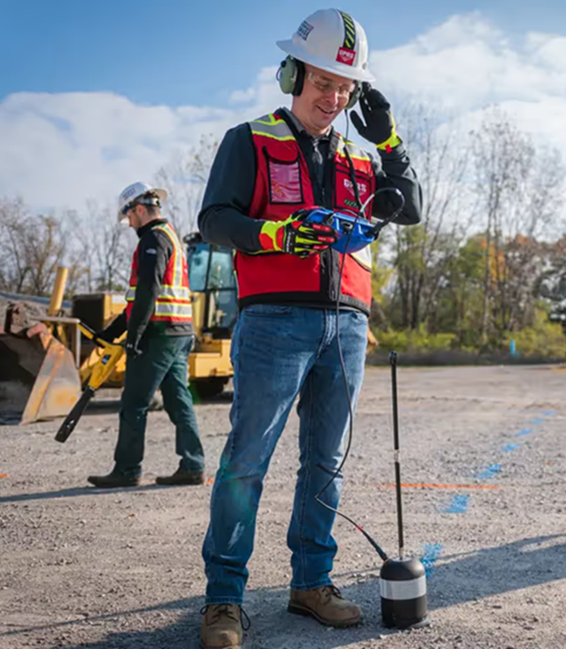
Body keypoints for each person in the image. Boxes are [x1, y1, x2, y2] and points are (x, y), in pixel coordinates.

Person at [197, 9, 422, 648]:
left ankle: (311, 583)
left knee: (326, 464)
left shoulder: (359, 153)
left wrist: (388, 139)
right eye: (323, 82)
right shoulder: (250, 139)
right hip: (274, 321)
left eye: (346, 89)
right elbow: (215, 220)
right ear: (292, 74)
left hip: (347, 325)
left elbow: (413, 205)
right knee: (247, 462)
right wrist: (277, 233)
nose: (335, 98)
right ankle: (223, 600)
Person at [87, 182, 205, 488]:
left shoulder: (153, 239)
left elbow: (148, 292)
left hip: (160, 333)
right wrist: (111, 333)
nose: (129, 225)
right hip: (178, 332)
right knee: (178, 400)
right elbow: (137, 298)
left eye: (129, 218)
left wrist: (134, 335)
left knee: (134, 402)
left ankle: (127, 470)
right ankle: (193, 465)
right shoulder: (170, 238)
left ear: (138, 209)